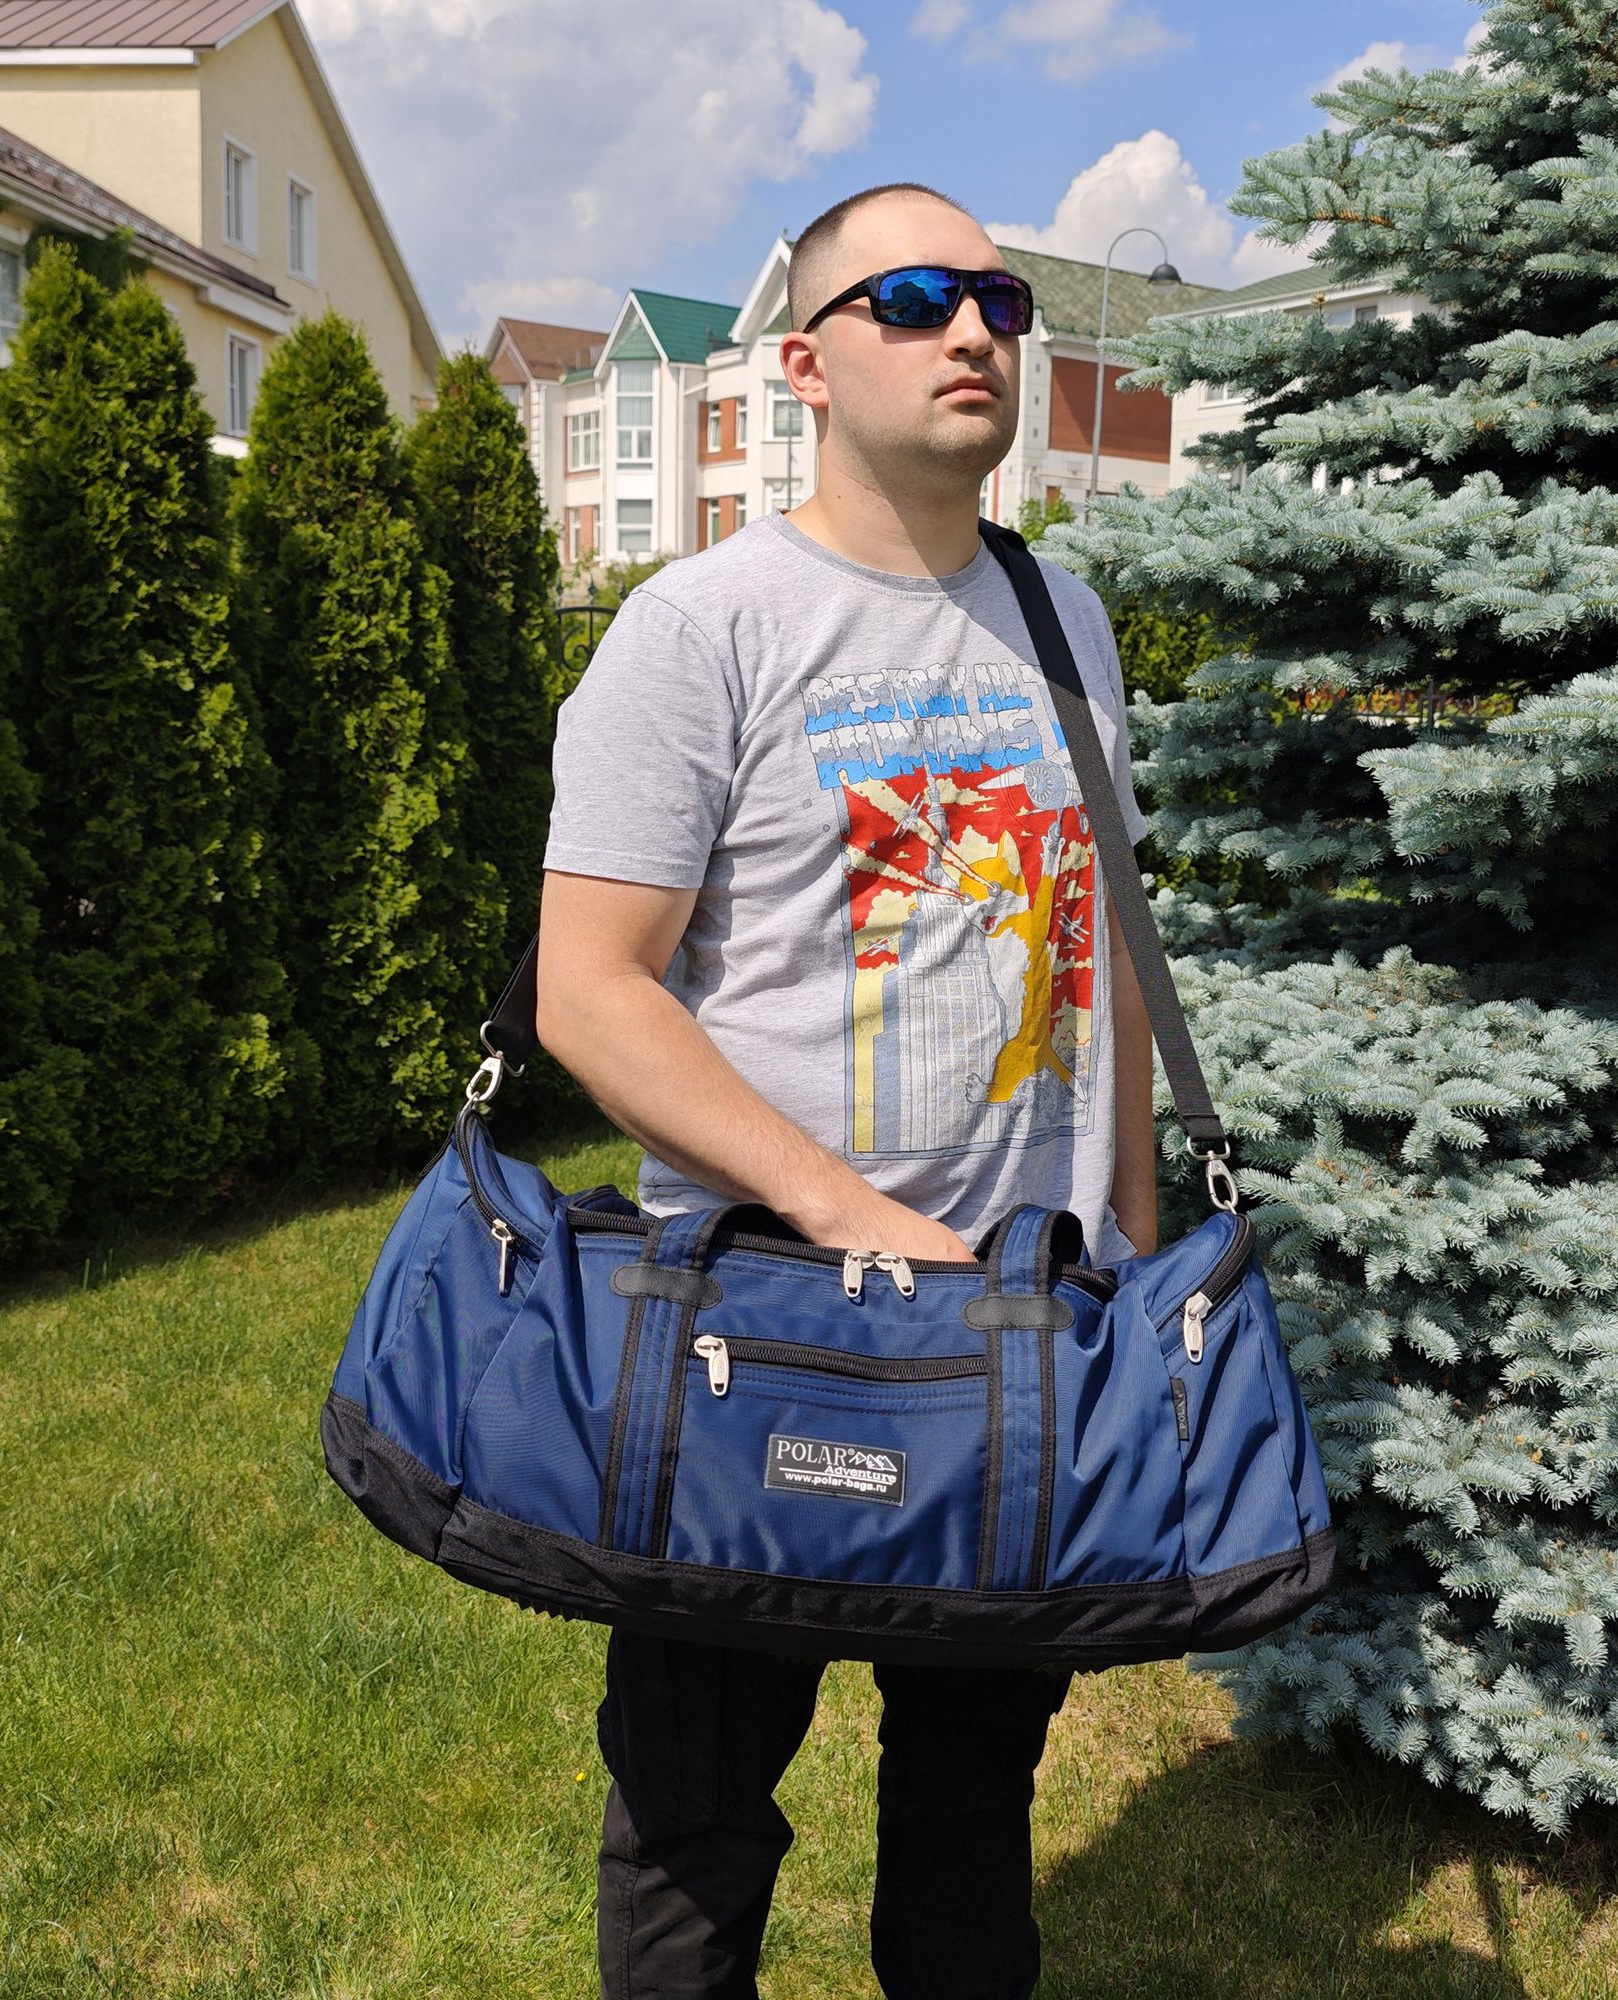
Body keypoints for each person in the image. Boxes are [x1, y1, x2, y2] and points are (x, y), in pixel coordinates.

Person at [535, 179, 1159, 2000]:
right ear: (804, 365)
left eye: (1000, 300)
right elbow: (590, 990)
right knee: (695, 1826)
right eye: (913, 298)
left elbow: (1104, 951)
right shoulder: (702, 628)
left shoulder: (1064, 617)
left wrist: (1131, 1241)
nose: (973, 331)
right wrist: (842, 1209)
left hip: (1021, 1332)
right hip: (763, 1331)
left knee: (973, 1816)